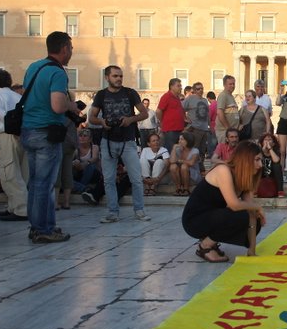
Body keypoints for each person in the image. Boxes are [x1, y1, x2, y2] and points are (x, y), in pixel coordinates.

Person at [20, 31, 77, 244]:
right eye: (70, 48)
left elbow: (27, 95)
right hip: (47, 131)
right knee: (45, 183)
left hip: (28, 129)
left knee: (35, 183)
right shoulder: (58, 72)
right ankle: (44, 229)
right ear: (63, 49)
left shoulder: (34, 67)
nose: (71, 52)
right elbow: (57, 105)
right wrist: (71, 105)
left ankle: (37, 226)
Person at [182, 141, 266, 262]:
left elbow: (251, 213)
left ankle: (211, 242)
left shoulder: (244, 179)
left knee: (254, 219)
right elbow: (234, 205)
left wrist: (251, 251)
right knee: (239, 215)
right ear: (245, 159)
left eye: (260, 160)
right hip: (194, 221)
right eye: (257, 160)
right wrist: (258, 207)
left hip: (212, 217)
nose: (260, 165)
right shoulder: (223, 170)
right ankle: (205, 246)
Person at [89, 64, 151, 223]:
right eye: (115, 76)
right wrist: (102, 122)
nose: (118, 79)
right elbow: (92, 118)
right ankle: (112, 212)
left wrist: (130, 119)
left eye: (121, 76)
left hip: (128, 140)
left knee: (136, 178)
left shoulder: (130, 93)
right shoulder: (101, 95)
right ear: (107, 77)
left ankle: (139, 210)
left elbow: (144, 113)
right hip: (107, 141)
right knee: (108, 179)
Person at [0, 68, 28, 221]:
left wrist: (13, 129)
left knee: (9, 173)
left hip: (5, 135)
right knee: (22, 173)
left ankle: (21, 209)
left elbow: (2, 116)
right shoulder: (17, 96)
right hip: (22, 134)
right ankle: (14, 206)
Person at [182, 82, 210, 176]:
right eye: (198, 89)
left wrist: (209, 126)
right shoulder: (190, 98)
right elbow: (180, 108)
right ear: (194, 90)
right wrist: (185, 118)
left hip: (204, 129)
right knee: (195, 150)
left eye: (202, 88)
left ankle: (201, 169)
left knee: (202, 151)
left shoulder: (205, 100)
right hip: (195, 128)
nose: (200, 90)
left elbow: (207, 114)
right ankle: (195, 171)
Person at [155, 78, 185, 151]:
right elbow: (158, 111)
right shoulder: (166, 96)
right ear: (171, 86)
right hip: (170, 129)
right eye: (178, 86)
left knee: (177, 151)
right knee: (170, 150)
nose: (181, 88)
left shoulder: (177, 97)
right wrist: (162, 122)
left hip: (179, 128)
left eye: (180, 86)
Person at [168, 131, 200, 196]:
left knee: (184, 166)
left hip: (192, 177)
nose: (179, 141)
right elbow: (171, 161)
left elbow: (191, 163)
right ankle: (178, 188)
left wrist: (179, 160)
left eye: (182, 139)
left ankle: (186, 189)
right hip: (179, 176)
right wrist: (174, 148)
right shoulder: (178, 149)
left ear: (188, 140)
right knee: (172, 166)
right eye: (179, 139)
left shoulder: (195, 150)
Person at [256, 132, 283, 198]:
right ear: (262, 142)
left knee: (277, 166)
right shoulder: (258, 151)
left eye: (269, 139)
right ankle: (255, 190)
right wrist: (263, 150)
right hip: (261, 174)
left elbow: (276, 160)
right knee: (256, 167)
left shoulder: (276, 150)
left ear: (273, 143)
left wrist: (270, 149)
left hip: (272, 175)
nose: (267, 142)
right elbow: (257, 159)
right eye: (265, 140)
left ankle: (280, 191)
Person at [215, 75, 239, 143]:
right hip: (225, 132)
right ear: (224, 85)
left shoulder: (231, 96)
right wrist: (228, 129)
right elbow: (220, 113)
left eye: (233, 84)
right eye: (230, 84)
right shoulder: (223, 95)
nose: (232, 86)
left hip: (232, 132)